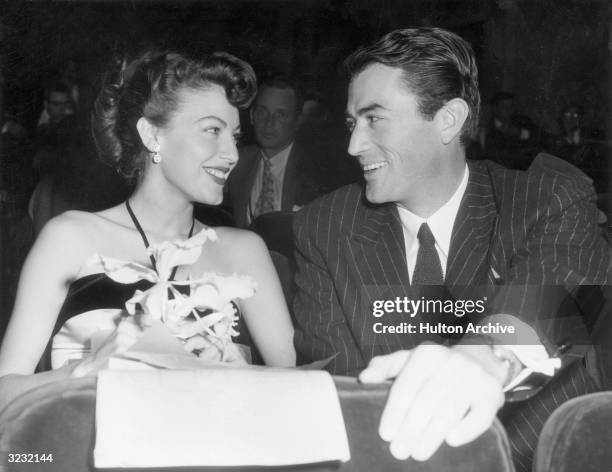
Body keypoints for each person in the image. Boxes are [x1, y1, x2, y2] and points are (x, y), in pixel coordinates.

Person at [292, 28, 610, 471]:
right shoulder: (324, 228)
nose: (353, 145)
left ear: (448, 119)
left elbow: (553, 300)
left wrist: (485, 355)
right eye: (352, 123)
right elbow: (348, 399)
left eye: (374, 118)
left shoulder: (546, 199)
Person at [0, 49, 296, 410]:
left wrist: (245, 378)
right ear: (152, 135)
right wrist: (83, 372)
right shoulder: (70, 238)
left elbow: (295, 389)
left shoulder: (245, 250)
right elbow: (4, 392)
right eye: (212, 130)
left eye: (234, 135)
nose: (232, 153)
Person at [227, 74, 312, 227]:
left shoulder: (316, 169)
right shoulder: (234, 161)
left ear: (298, 120)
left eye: (280, 115)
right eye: (262, 112)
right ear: (252, 116)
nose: (269, 123)